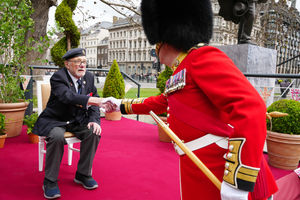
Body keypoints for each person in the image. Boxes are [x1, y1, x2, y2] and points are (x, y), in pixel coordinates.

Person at [102, 0, 277, 199]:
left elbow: (250, 107)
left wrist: (238, 180)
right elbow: (161, 102)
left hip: (219, 167)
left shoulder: (203, 57)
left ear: (166, 39)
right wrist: (120, 104)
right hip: (196, 163)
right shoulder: (182, 69)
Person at [33, 48, 106, 199]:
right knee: (57, 136)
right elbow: (68, 97)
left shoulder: (89, 77)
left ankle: (83, 174)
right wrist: (92, 100)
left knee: (93, 132)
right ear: (67, 64)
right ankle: (50, 181)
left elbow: (94, 104)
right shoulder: (58, 77)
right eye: (78, 61)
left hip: (77, 120)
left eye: (84, 62)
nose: (82, 65)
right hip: (56, 119)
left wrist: (94, 120)